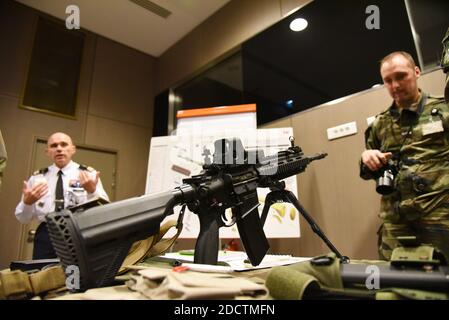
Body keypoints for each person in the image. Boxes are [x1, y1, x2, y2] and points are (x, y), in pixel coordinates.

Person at [360, 51, 449, 262]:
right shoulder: (379, 124)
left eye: (401, 76)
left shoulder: (443, 110)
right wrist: (367, 158)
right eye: (388, 80)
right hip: (396, 222)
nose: (395, 85)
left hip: (440, 217)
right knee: (394, 282)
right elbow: (367, 172)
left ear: (417, 72)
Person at [15, 132, 109, 259]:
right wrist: (27, 203)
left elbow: (104, 211)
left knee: (74, 275)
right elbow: (23, 218)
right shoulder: (37, 178)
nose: (59, 148)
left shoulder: (88, 175)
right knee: (43, 275)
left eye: (64, 144)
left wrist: (92, 191)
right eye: (54, 146)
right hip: (46, 234)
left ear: (73, 149)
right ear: (47, 151)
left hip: (77, 230)